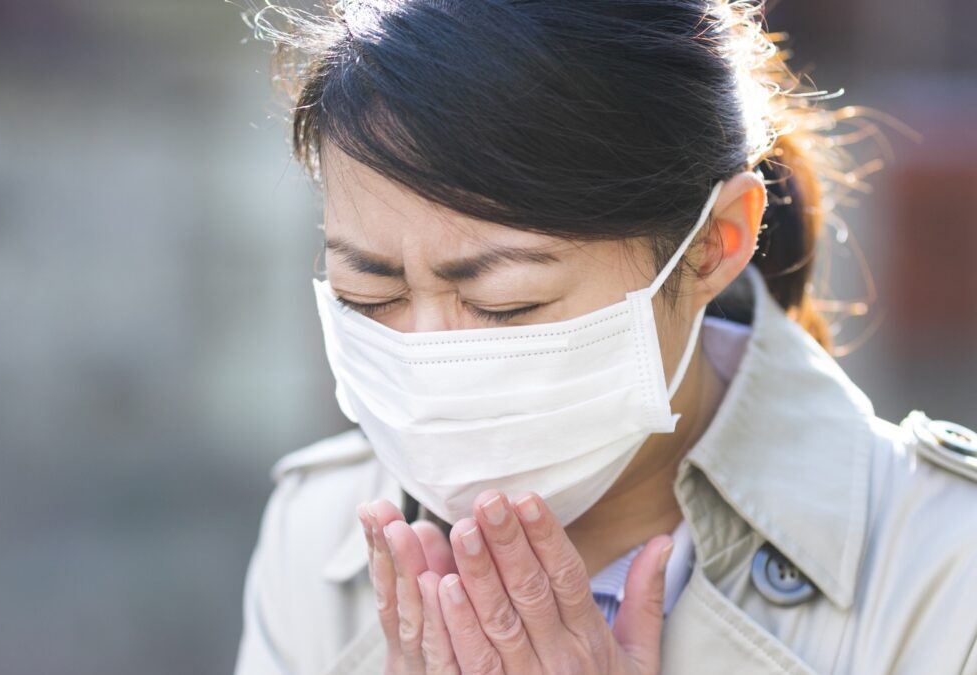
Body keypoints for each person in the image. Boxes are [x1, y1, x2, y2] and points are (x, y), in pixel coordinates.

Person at [234, 1, 977, 673]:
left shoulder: (942, 566)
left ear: (716, 242)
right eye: (374, 293)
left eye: (504, 303)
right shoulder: (317, 533)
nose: (430, 354)